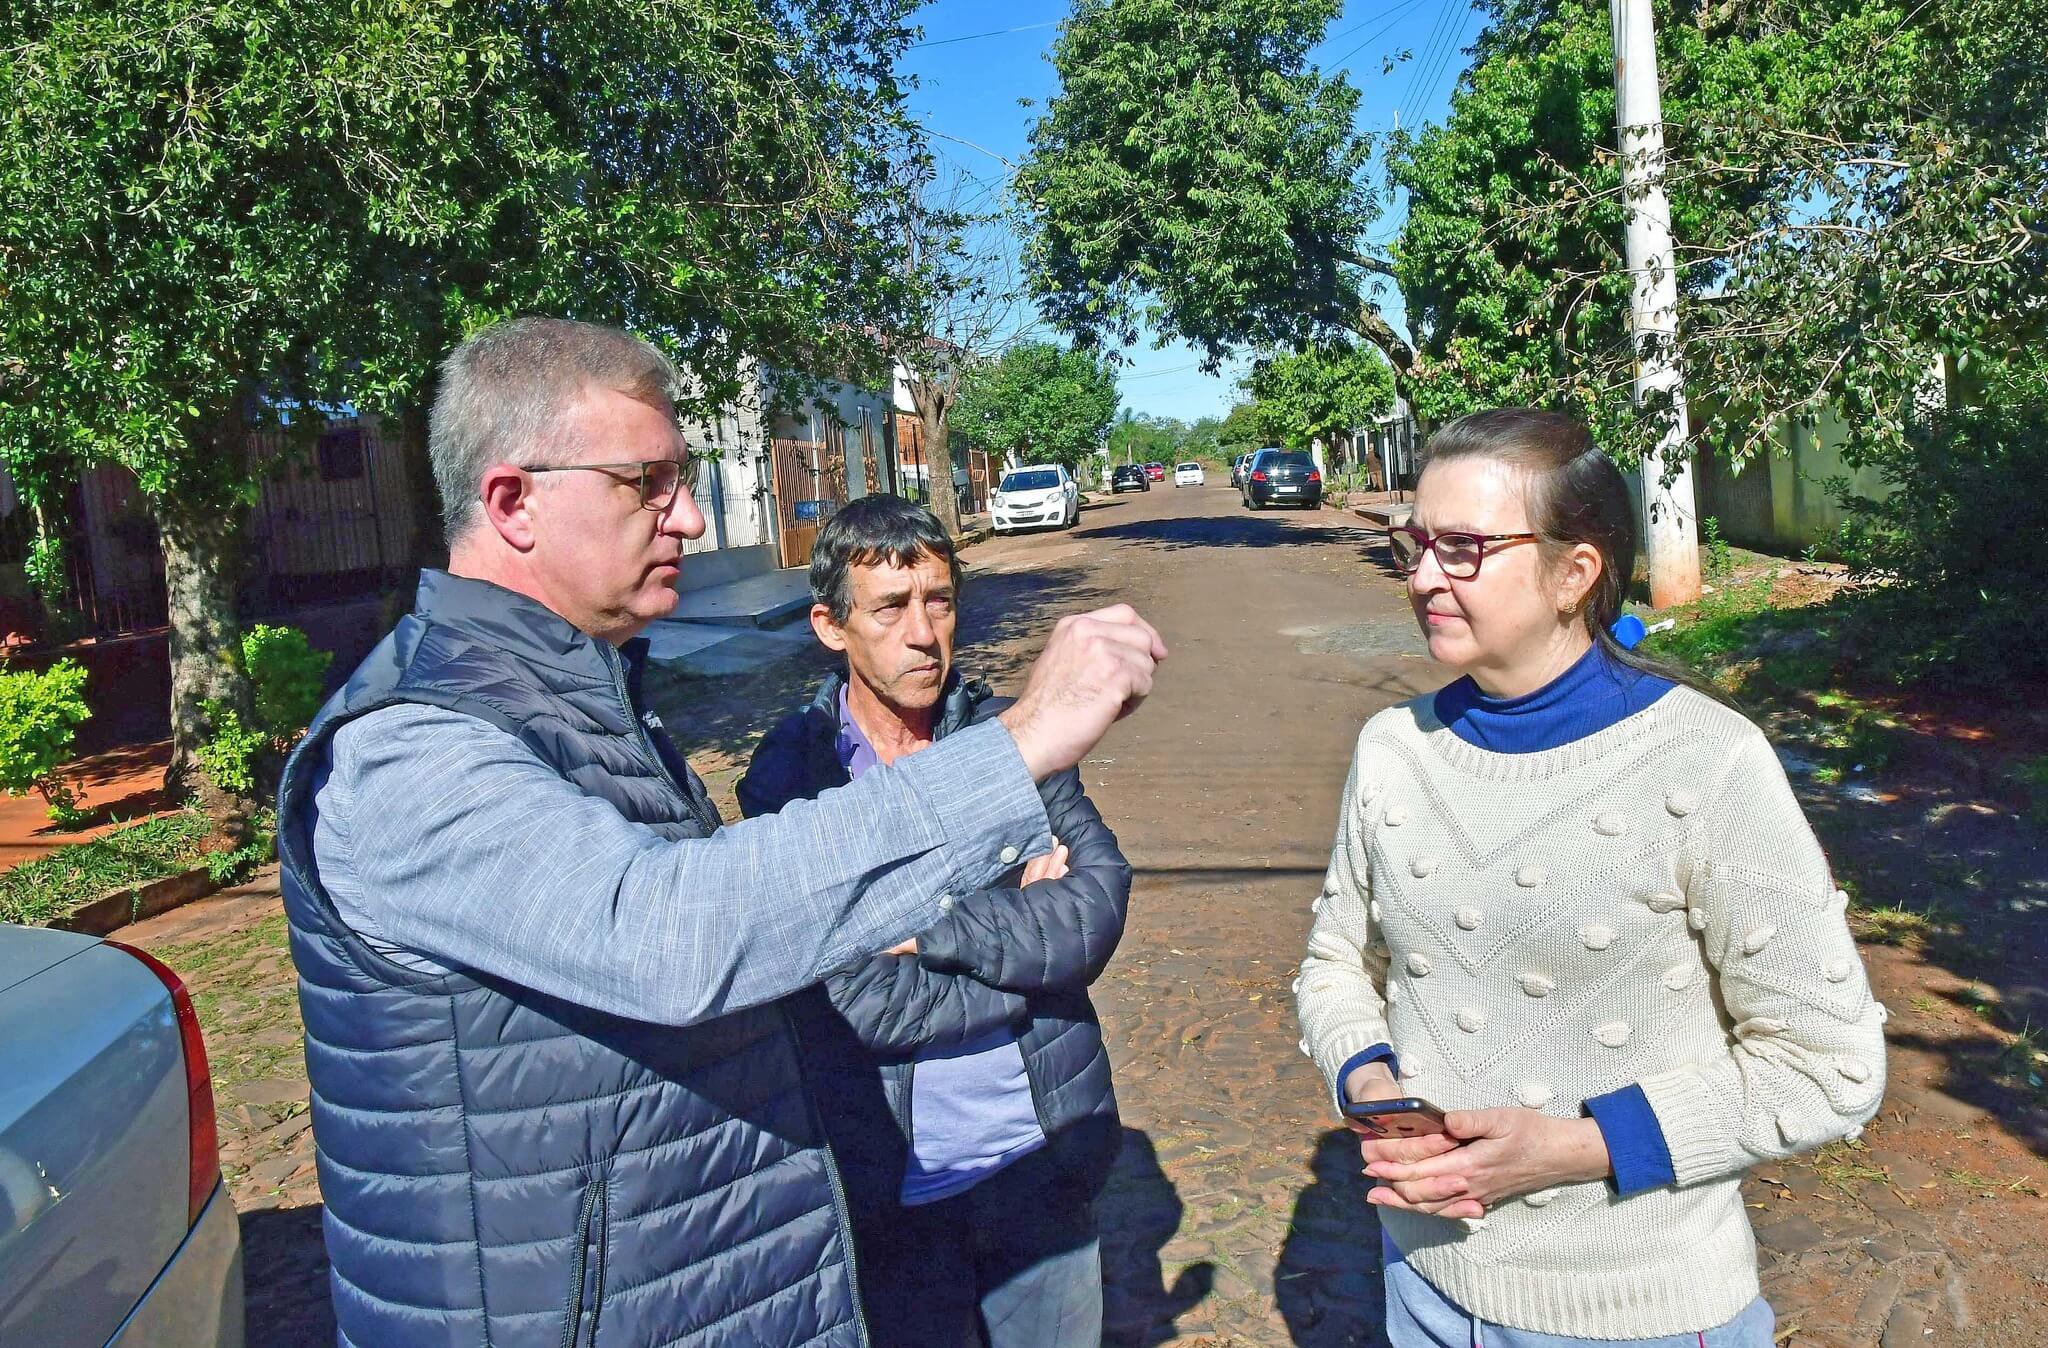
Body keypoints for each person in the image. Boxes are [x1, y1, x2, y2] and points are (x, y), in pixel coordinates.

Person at [273, 318, 1165, 1348]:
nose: (690, 517)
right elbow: (674, 934)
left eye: (682, 478)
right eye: (646, 483)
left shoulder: (587, 704)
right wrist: (1013, 751)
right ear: (513, 501)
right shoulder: (409, 747)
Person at [1293, 409, 1886, 1347]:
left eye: (1463, 547)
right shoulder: (1392, 751)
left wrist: (1571, 1150)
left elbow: (1830, 1066)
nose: (1421, 577)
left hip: (1636, 1312)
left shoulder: (1707, 762)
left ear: (1577, 572)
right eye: (1416, 543)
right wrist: (1367, 1082)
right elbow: (1334, 962)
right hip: (1421, 1283)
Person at [736, 495, 1130, 1347]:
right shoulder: (794, 779)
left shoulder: (1010, 741)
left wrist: (929, 930)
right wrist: (1017, 934)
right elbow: (852, 995)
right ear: (830, 626)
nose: (924, 632)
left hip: (1043, 1165)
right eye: (890, 607)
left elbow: (1093, 913)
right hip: (895, 1186)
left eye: (939, 601)